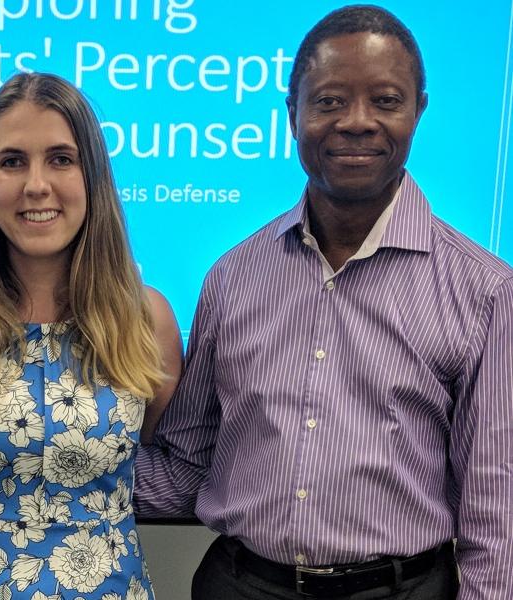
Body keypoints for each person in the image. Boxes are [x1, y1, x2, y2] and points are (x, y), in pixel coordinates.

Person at [134, 5, 513, 600]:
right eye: (330, 101)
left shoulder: (484, 290)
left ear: (419, 111)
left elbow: (495, 508)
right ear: (293, 114)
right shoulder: (232, 277)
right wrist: (38, 463)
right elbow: (187, 465)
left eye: (386, 100)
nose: (357, 122)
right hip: (242, 585)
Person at [0, 72, 182, 599]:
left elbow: (155, 445)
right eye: (12, 161)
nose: (35, 185)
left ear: (92, 175)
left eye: (61, 159)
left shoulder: (147, 320)